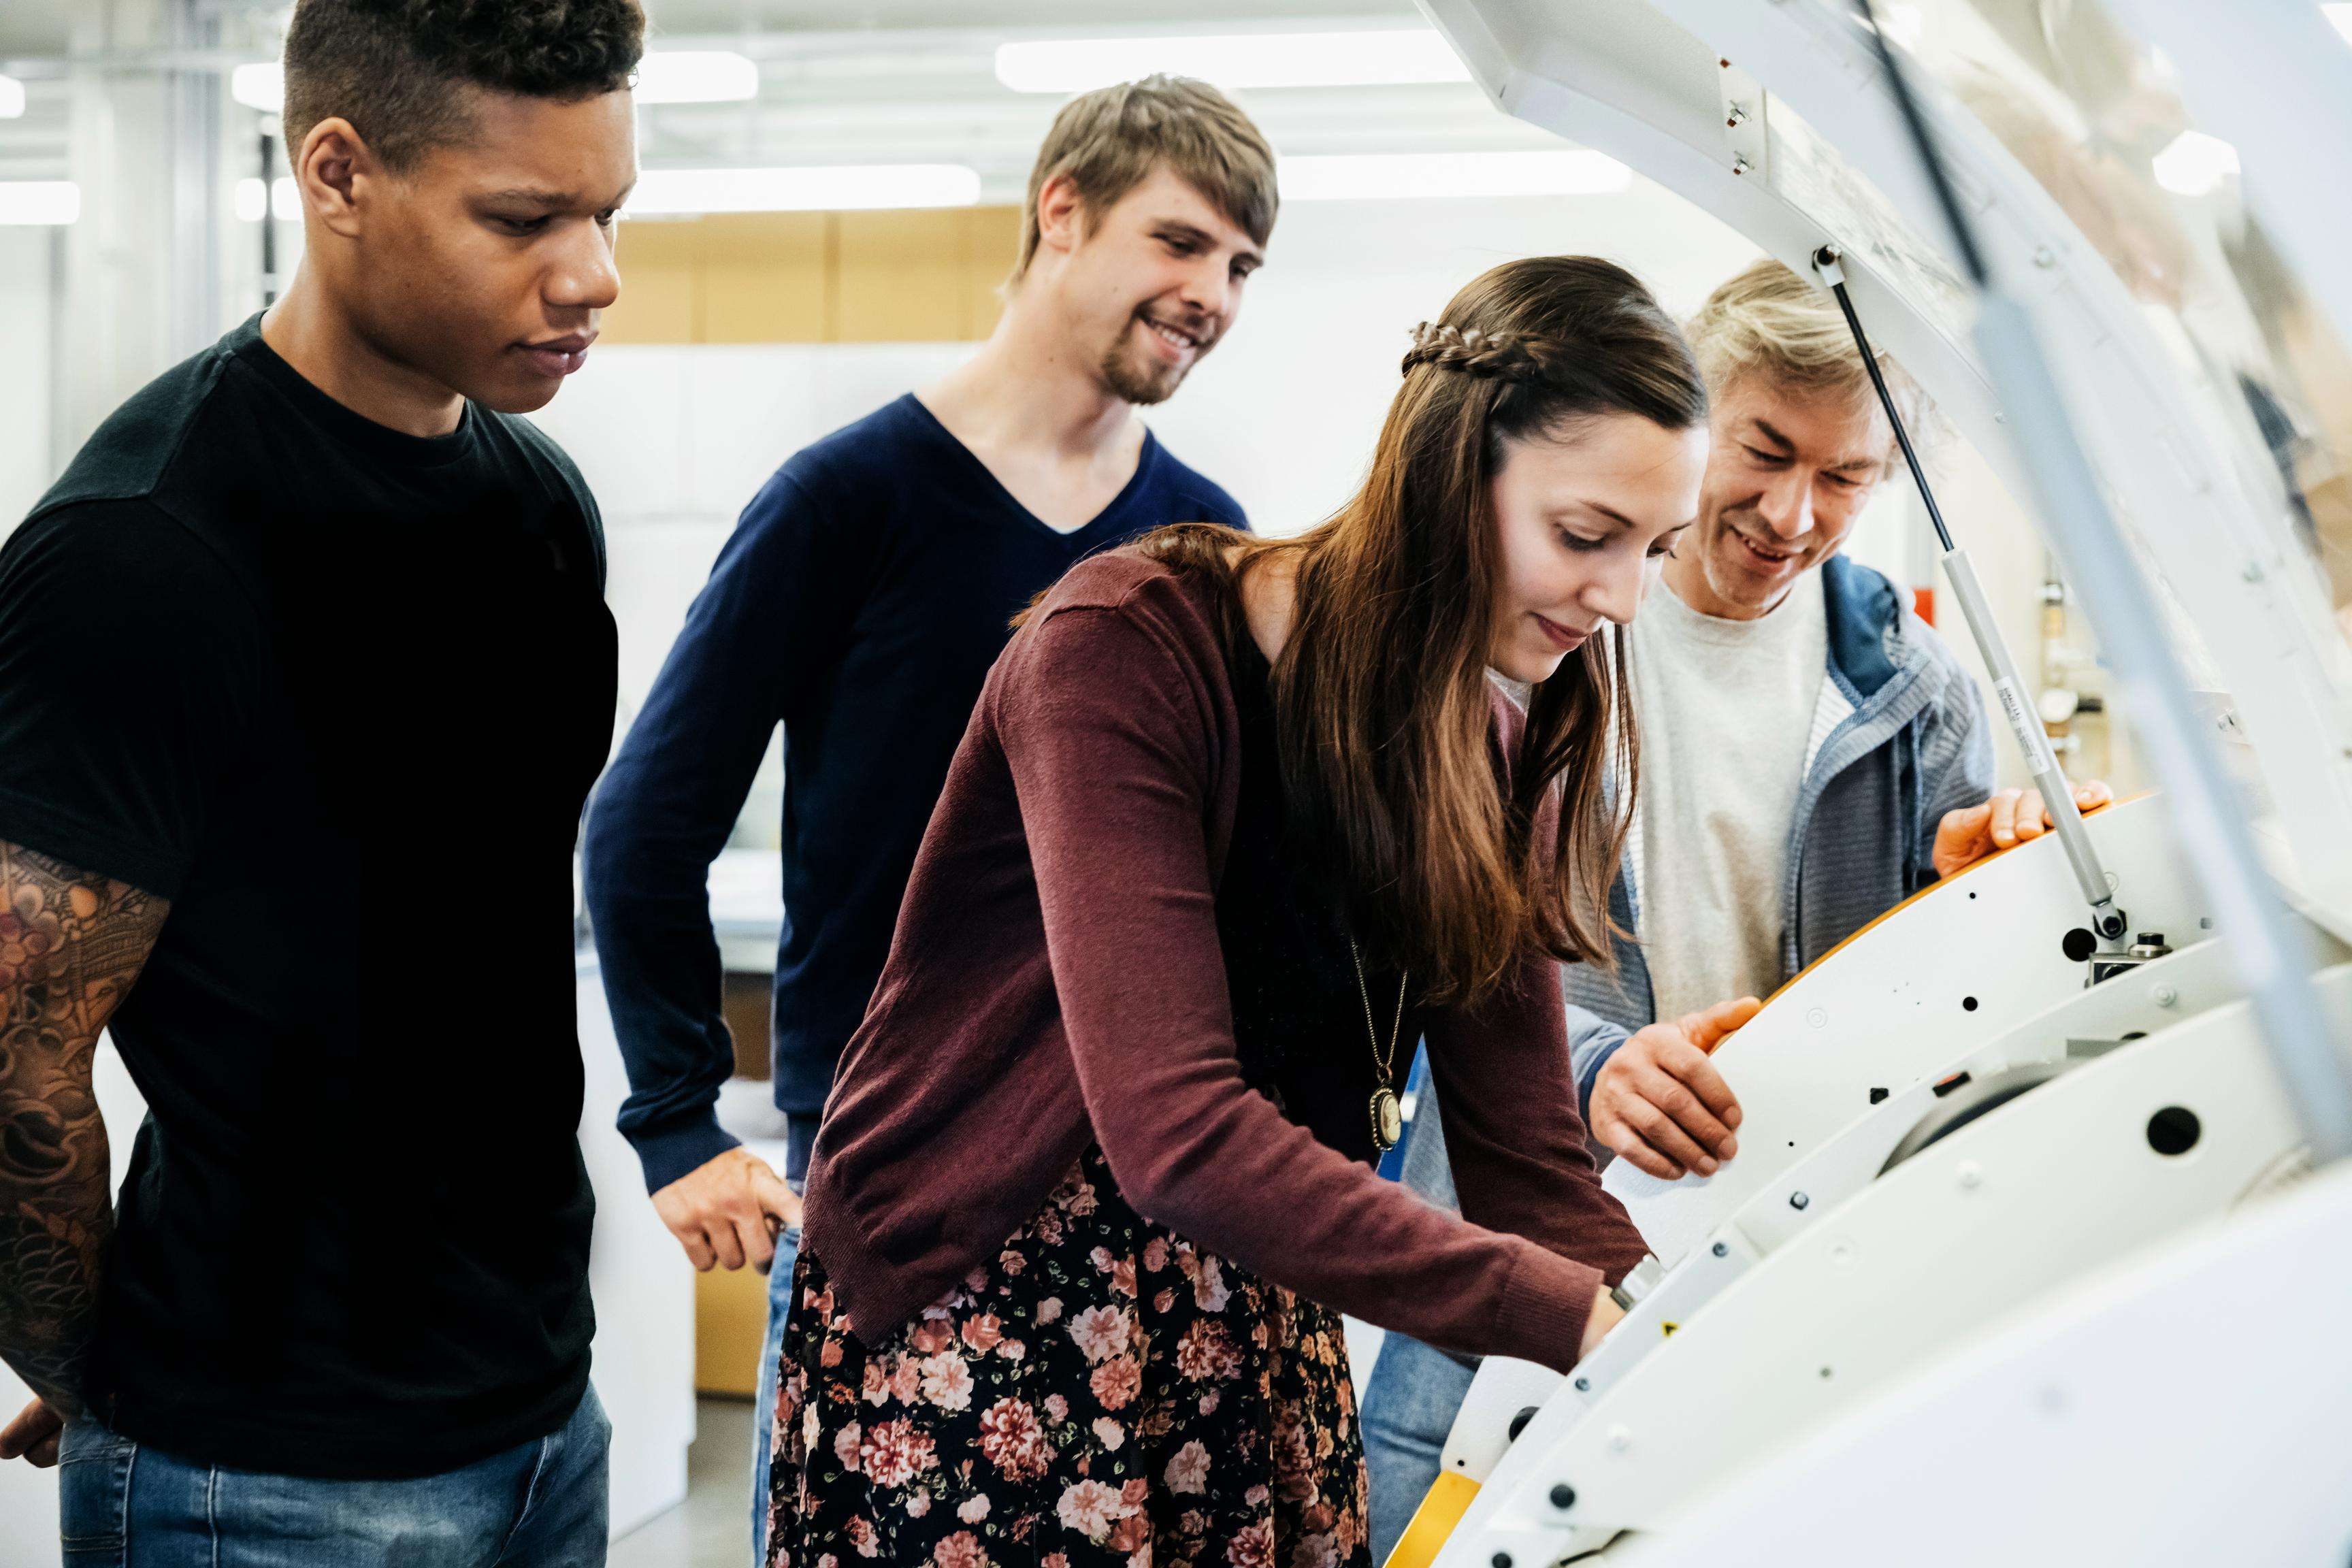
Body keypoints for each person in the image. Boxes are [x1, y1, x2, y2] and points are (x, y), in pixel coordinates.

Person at [762, 255, 1709, 1568]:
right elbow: (1177, 1132)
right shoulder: (1123, 650)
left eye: (1653, 551)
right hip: (989, 1318)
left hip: (1252, 1309)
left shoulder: (1495, 735)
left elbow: (1528, 1161)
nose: (1621, 600)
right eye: (1586, 535)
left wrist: (1681, 1317)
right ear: (1447, 475)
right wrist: (1573, 1319)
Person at [578, 74, 1275, 1559]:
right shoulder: (850, 497)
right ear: (1064, 208)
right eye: (1183, 243)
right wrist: (677, 1122)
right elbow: (645, 825)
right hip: (893, 1186)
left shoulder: (1202, 542)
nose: (1212, 293)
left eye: (1241, 268)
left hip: (1138, 1195)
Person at [0, 1, 640, 1560]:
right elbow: (16, 1062)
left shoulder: (540, 513)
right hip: (263, 1487)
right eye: (525, 217)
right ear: (339, 173)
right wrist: (107, 1372)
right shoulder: (143, 555)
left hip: (543, 1424)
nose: (593, 276)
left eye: (608, 212)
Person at [1358, 256, 2112, 1559]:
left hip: (1775, 1226)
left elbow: (1933, 1007)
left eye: (1844, 476)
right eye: (1760, 450)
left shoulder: (1911, 692)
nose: (1790, 510)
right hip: (1517, 1202)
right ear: (1687, 417)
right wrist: (1590, 1070)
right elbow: (1425, 941)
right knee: (1440, 1514)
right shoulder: (1543, 635)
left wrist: (1981, 890)